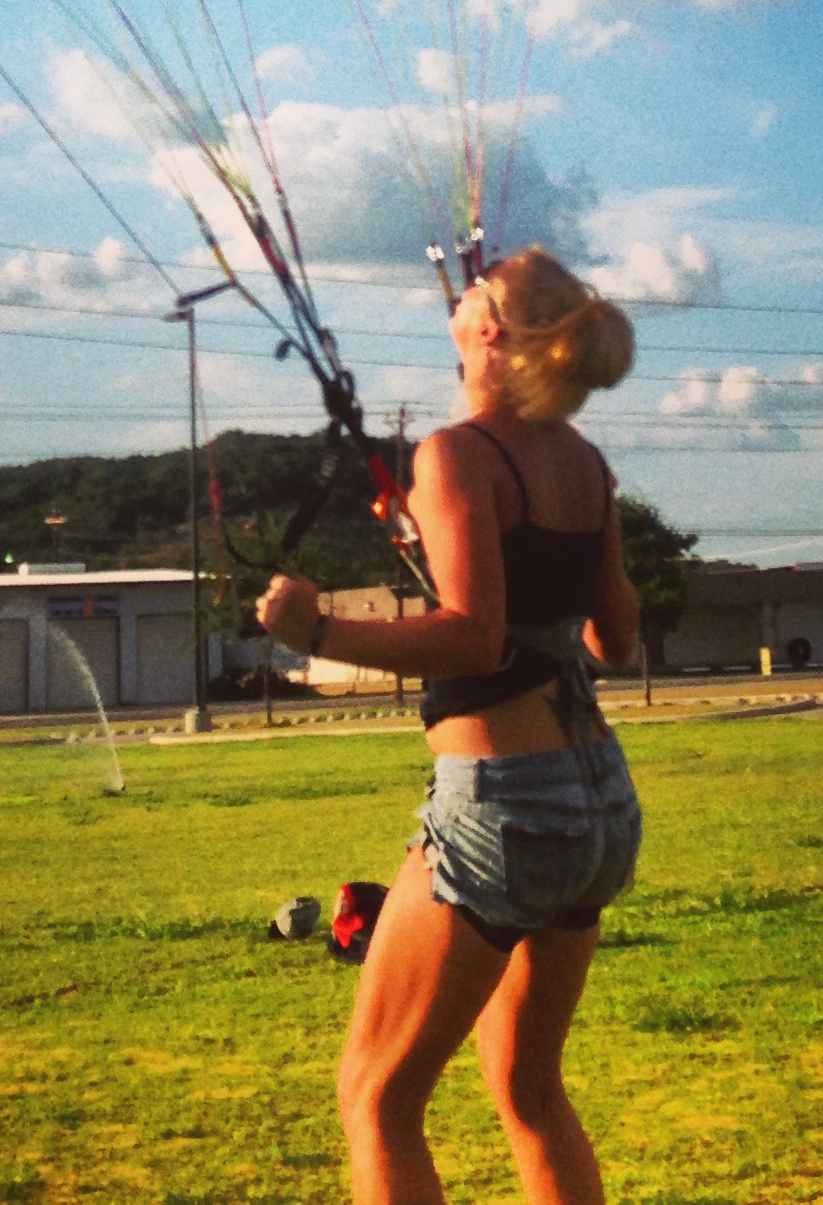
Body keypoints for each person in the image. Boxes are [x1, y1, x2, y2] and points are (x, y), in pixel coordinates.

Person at [260, 247, 642, 1205]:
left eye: (474, 290)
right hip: (598, 801)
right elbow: (616, 637)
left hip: (507, 806)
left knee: (376, 1096)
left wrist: (318, 629)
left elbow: (471, 639)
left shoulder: (461, 452)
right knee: (528, 1089)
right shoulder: (586, 466)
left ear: (491, 331)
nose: (458, 292)